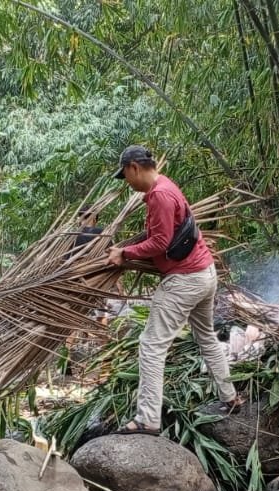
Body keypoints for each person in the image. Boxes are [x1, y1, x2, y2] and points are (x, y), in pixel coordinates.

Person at [105, 145, 244, 434]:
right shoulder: (166, 185)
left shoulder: (159, 195)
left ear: (134, 167)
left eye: (126, 176)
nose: (127, 183)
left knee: (151, 345)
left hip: (185, 280)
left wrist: (124, 253)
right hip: (205, 274)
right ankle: (230, 397)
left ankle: (147, 419)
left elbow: (160, 243)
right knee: (205, 335)